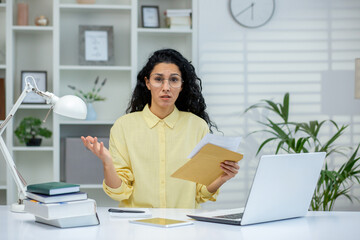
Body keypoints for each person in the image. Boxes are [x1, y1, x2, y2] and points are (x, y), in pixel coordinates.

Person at [82, 49, 239, 208]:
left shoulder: (197, 126)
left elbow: (200, 194)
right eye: (158, 79)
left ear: (182, 85)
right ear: (148, 83)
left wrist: (222, 178)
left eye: (174, 80)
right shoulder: (123, 126)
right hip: (137, 225)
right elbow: (120, 192)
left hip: (183, 225)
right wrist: (107, 162)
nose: (166, 87)